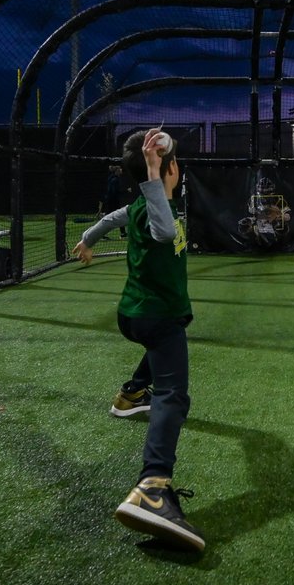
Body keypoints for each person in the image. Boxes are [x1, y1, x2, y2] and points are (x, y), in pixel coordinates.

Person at [71, 128, 203, 553]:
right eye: (174, 164)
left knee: (165, 350)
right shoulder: (155, 205)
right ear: (172, 171)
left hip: (140, 315)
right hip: (154, 316)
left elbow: (112, 219)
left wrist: (87, 239)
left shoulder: (144, 205)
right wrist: (153, 175)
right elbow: (165, 233)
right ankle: (153, 487)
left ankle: (129, 395)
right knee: (174, 395)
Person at [99, 164, 128, 239]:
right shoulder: (115, 180)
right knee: (109, 217)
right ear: (117, 171)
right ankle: (102, 234)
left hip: (111, 201)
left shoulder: (112, 178)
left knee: (119, 216)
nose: (121, 170)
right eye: (120, 169)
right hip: (112, 202)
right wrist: (126, 191)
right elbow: (115, 191)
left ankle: (123, 233)